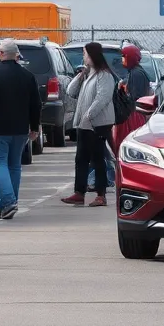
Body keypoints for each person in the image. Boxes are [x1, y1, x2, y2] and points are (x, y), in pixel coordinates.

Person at [0, 39, 41, 220]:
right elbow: (35, 104)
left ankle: (8, 202)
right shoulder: (27, 76)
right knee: (14, 166)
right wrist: (35, 126)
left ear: (1, 53)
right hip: (20, 129)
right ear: (17, 55)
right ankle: (4, 205)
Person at [62, 42, 115, 207]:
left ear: (92, 55)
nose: (83, 57)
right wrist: (80, 76)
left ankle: (101, 194)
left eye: (84, 53)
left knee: (98, 158)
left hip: (97, 124)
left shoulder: (104, 75)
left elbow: (102, 98)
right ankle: (79, 192)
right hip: (84, 124)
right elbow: (70, 91)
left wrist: (89, 114)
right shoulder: (88, 74)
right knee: (81, 159)